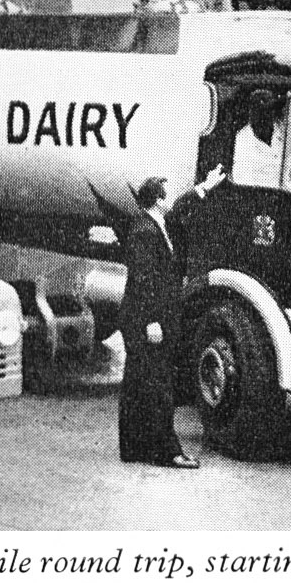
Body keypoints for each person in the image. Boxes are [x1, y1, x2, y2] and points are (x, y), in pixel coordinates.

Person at [118, 177, 197, 469]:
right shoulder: (144, 231)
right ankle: (167, 451)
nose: (171, 197)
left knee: (138, 383)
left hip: (144, 317)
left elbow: (180, 210)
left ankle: (134, 448)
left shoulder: (154, 224)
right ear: (158, 200)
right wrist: (151, 320)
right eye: (167, 193)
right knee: (159, 384)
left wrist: (204, 188)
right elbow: (143, 279)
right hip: (147, 319)